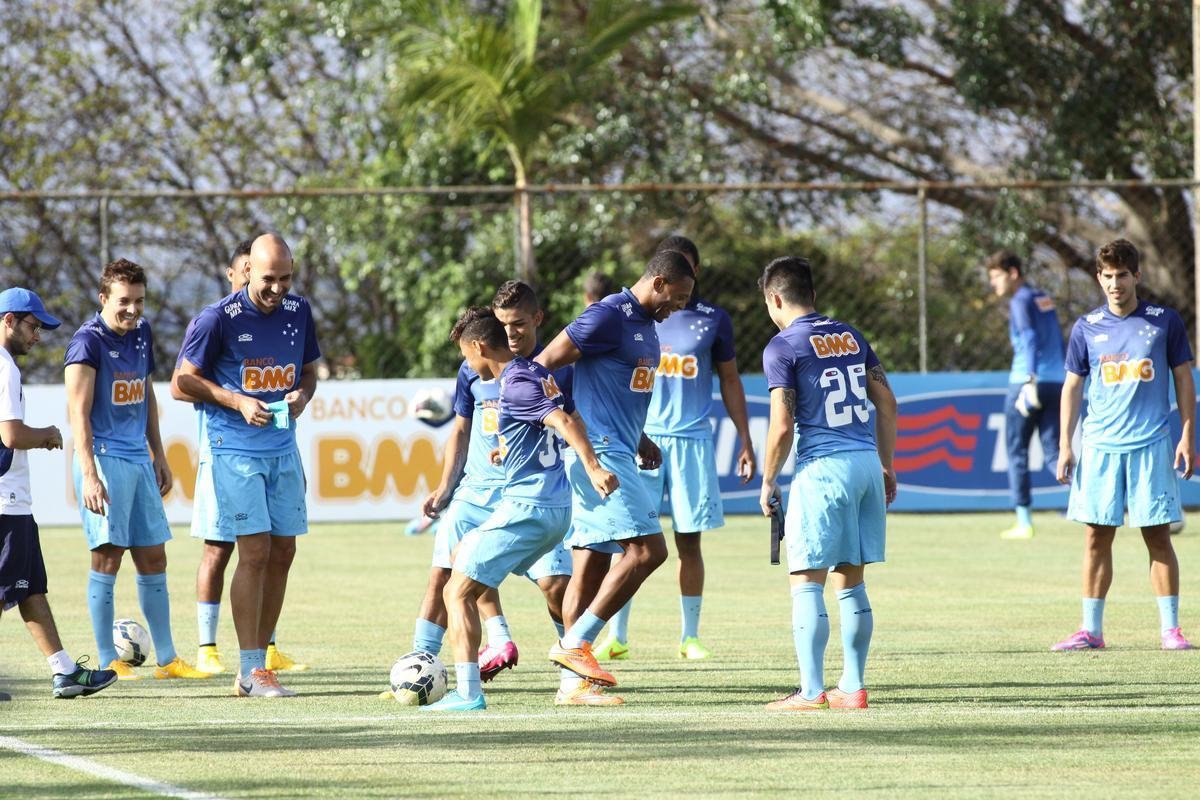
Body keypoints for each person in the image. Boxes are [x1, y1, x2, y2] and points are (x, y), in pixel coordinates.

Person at [423, 308, 616, 711]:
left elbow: (563, 421)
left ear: (478, 346)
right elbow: (555, 420)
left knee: (455, 591)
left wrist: (594, 467)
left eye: (466, 355)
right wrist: (508, 448)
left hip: (530, 508)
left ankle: (468, 694)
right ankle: (527, 653)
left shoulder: (513, 383)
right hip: (553, 508)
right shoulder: (537, 373)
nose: (468, 366)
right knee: (465, 559)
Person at [535, 250, 695, 706]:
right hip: (600, 456)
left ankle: (573, 687)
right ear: (658, 282)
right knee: (648, 550)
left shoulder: (644, 324)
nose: (679, 307)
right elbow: (545, 364)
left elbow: (614, 385)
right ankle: (575, 643)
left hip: (621, 448)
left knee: (589, 567)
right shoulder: (606, 315)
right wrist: (572, 432)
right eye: (677, 297)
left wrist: (640, 437)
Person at [595, 235, 755, 662]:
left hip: (691, 441)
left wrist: (745, 439)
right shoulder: (635, 317)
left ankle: (690, 636)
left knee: (688, 543)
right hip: (639, 438)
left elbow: (730, 379)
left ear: (695, 272)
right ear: (658, 275)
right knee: (629, 541)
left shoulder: (712, 319)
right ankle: (617, 634)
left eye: (686, 267)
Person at [175, 233, 321, 697]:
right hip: (233, 449)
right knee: (253, 552)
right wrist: (235, 400)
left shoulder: (300, 312)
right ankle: (251, 669)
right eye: (268, 279)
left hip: (282, 447)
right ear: (246, 271)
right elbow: (181, 382)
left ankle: (260, 666)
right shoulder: (217, 319)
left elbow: (311, 371)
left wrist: (302, 394)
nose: (278, 289)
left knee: (284, 552)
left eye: (286, 278)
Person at [407, 281, 571, 689]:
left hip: (528, 494)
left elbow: (570, 422)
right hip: (478, 491)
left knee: (555, 585)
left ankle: (574, 662)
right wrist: (446, 487)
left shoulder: (554, 366)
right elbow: (461, 428)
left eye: (518, 325)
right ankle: (419, 667)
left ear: (536, 320)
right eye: (503, 325)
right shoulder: (472, 368)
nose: (511, 333)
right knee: (444, 575)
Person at [757, 256, 897, 711]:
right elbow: (887, 401)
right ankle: (853, 687)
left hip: (824, 469)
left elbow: (781, 426)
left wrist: (768, 480)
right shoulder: (851, 335)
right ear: (812, 296)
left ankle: (812, 691)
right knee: (851, 581)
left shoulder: (782, 346)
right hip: (864, 465)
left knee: (806, 581)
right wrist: (886, 464)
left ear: (775, 298)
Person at [64, 260, 208, 681]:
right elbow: (78, 413)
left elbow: (145, 395)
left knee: (154, 557)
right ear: (103, 297)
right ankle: (109, 658)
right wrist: (89, 473)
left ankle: (167, 660)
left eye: (139, 301)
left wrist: (158, 454)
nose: (132, 310)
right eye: (124, 301)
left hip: (138, 460)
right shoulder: (85, 344)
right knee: (108, 558)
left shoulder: (142, 333)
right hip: (104, 460)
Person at [1054, 238, 1194, 652]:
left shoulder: (1163, 321)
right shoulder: (1086, 327)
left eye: (1122, 276)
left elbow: (1184, 378)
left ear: (1137, 276)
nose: (1115, 284)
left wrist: (1186, 434)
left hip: (1150, 443)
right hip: (1099, 446)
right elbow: (1072, 388)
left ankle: (1171, 629)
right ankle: (1090, 630)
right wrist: (1066, 444)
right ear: (1099, 278)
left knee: (1157, 535)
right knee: (1096, 537)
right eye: (1108, 277)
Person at [0, 287, 119, 699]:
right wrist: (49, 435)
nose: (38, 335)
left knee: (30, 588)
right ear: (9, 320)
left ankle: (64, 671)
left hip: (12, 500)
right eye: (33, 326)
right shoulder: (4, 367)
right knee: (6, 588)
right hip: (5, 502)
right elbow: (11, 434)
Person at [986, 251, 1065, 540]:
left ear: (1013, 273)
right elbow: (1058, 337)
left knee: (1017, 450)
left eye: (996, 276)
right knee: (1055, 451)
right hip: (1056, 380)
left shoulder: (1019, 301)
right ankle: (1088, 505)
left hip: (1026, 382)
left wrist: (1030, 379)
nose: (993, 283)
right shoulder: (1042, 297)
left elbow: (1030, 339)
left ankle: (1024, 521)